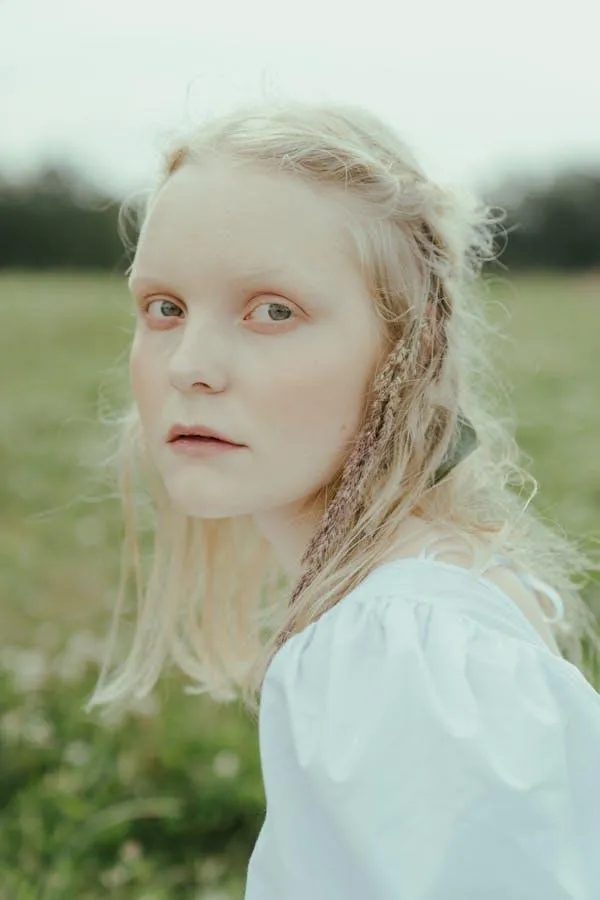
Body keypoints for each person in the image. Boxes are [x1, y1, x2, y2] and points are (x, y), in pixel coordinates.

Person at [86, 96, 600, 898]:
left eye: (273, 311)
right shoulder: (408, 608)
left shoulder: (399, 645)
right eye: (164, 308)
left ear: (410, 346)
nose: (190, 363)